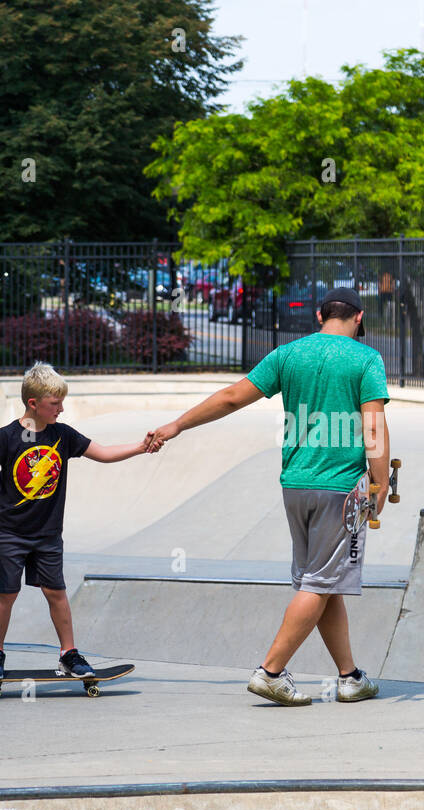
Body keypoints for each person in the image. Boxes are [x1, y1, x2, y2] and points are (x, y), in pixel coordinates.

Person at [148, 288, 391, 706]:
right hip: (338, 488)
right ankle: (270, 672)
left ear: (319, 315)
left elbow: (230, 398)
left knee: (321, 581)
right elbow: (373, 426)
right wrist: (381, 482)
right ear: (359, 318)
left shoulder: (288, 355)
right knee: (319, 583)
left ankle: (350, 676)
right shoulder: (365, 359)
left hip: (295, 485)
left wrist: (177, 425)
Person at [0, 361, 155, 679]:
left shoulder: (63, 435)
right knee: (6, 592)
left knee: (55, 592)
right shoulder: (7, 437)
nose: (61, 409)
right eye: (55, 403)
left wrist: (141, 447)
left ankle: (68, 653)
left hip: (47, 534)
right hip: (11, 531)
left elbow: (104, 452)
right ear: (34, 403)